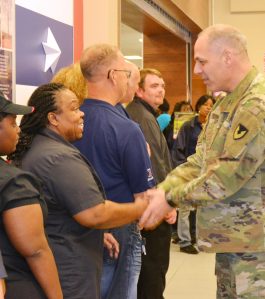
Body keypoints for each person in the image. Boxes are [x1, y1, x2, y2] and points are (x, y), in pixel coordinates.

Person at [139, 24, 265, 298]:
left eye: (202, 61)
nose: (196, 70)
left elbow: (226, 176)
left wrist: (170, 199)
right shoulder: (226, 104)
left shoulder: (256, 104)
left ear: (228, 57)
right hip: (235, 240)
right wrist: (164, 188)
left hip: (257, 248)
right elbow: (200, 161)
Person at [10, 83, 149, 299]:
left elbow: (56, 208)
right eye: (74, 108)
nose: (81, 113)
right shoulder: (58, 158)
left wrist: (96, 234)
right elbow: (94, 213)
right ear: (53, 118)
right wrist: (142, 207)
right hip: (68, 273)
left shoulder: (39, 148)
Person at [73, 44, 155, 299]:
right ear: (112, 75)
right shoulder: (126, 129)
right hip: (120, 228)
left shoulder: (70, 120)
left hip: (76, 228)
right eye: (124, 71)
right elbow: (145, 197)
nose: (127, 78)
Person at [0, 92, 62, 299]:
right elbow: (35, 250)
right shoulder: (14, 183)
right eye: (12, 123)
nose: (18, 129)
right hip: (15, 285)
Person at [126, 68, 176, 299]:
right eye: (154, 86)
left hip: (150, 207)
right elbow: (153, 166)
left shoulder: (146, 115)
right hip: (153, 210)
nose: (161, 90)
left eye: (163, 85)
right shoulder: (143, 118)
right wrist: (165, 202)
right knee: (152, 277)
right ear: (139, 90)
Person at [171, 94, 215, 254]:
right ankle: (184, 241)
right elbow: (178, 150)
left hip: (206, 174)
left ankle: (197, 237)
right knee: (184, 208)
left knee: (200, 207)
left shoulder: (215, 126)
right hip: (189, 171)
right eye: (206, 105)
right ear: (199, 106)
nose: (208, 108)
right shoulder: (188, 126)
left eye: (211, 105)